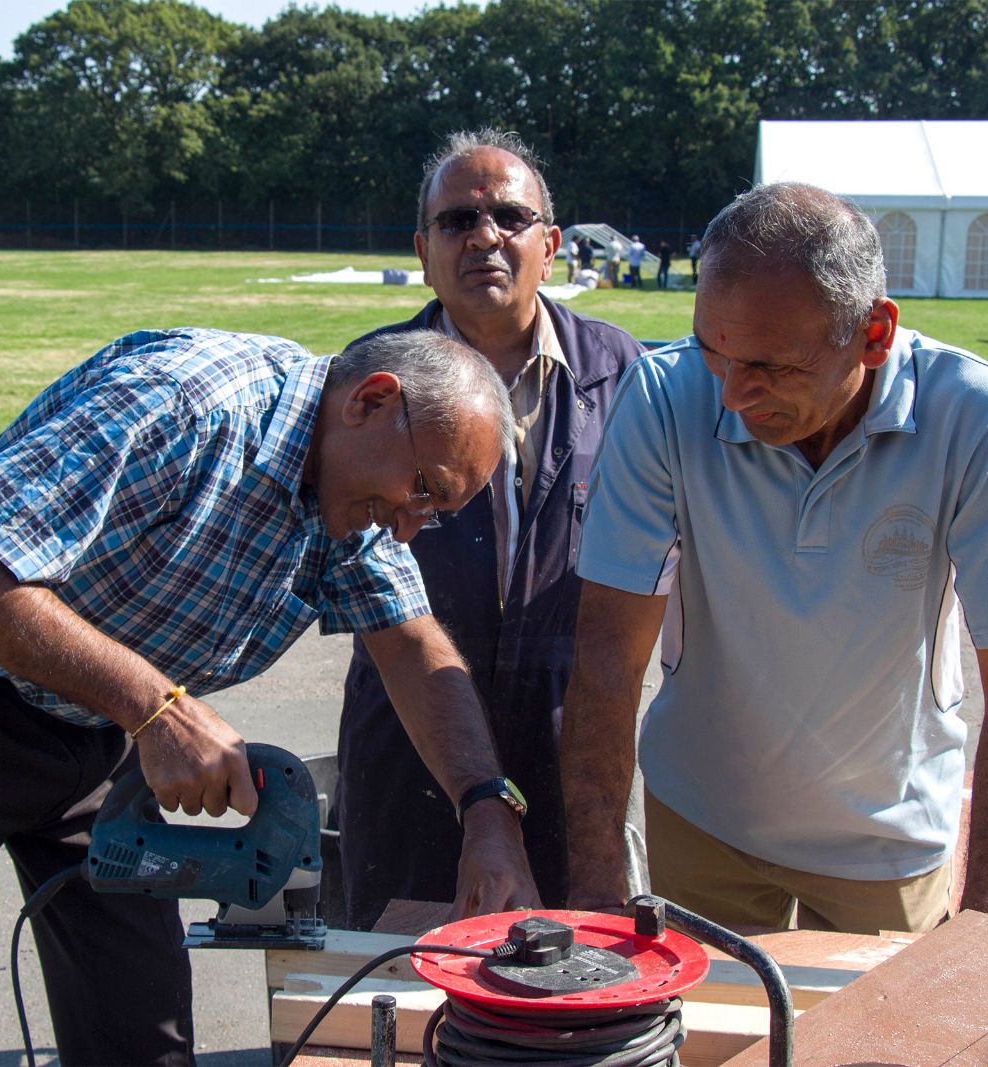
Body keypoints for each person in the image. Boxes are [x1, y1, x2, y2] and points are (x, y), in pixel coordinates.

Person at [0, 326, 541, 1066]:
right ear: (372, 400)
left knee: (140, 1021)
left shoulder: (354, 493)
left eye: (438, 510)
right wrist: (156, 708)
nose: (413, 526)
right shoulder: (186, 404)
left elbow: (413, 647)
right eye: (424, 489)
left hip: (102, 711)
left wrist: (488, 808)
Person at [561, 182, 988, 936]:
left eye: (775, 366)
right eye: (713, 351)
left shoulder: (976, 415)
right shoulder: (667, 398)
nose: (732, 394)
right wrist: (599, 891)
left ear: (874, 333)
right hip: (704, 820)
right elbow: (608, 650)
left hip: (889, 841)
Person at [335, 129, 645, 931]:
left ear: (552, 242)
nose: (484, 237)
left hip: (569, 741)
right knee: (400, 981)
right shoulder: (370, 377)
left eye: (510, 216)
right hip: (411, 736)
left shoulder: (630, 375)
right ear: (422, 247)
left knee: (566, 981)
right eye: (457, 221)